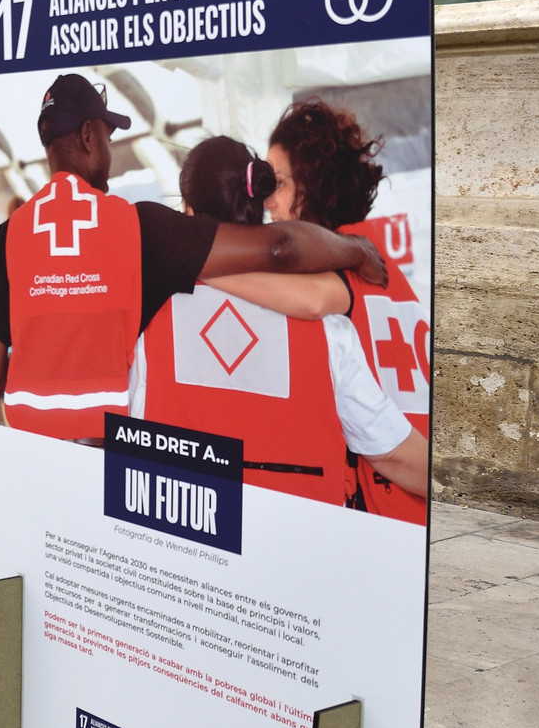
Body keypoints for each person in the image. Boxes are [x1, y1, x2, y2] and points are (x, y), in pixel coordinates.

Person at [0, 74, 388, 441]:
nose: (108, 151)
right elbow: (277, 247)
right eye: (108, 138)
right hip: (102, 450)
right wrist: (357, 249)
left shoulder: (8, 236)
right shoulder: (136, 227)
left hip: (27, 445)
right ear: (89, 135)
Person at [128, 136, 424, 510]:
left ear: (187, 211)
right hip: (300, 550)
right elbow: (391, 452)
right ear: (260, 207)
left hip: (184, 548)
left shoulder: (145, 315)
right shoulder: (328, 328)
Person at [267, 98, 432, 523]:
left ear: (314, 184)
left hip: (393, 507)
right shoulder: (379, 259)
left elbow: (310, 299)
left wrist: (194, 259)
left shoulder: (336, 272)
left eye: (279, 183)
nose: (269, 202)